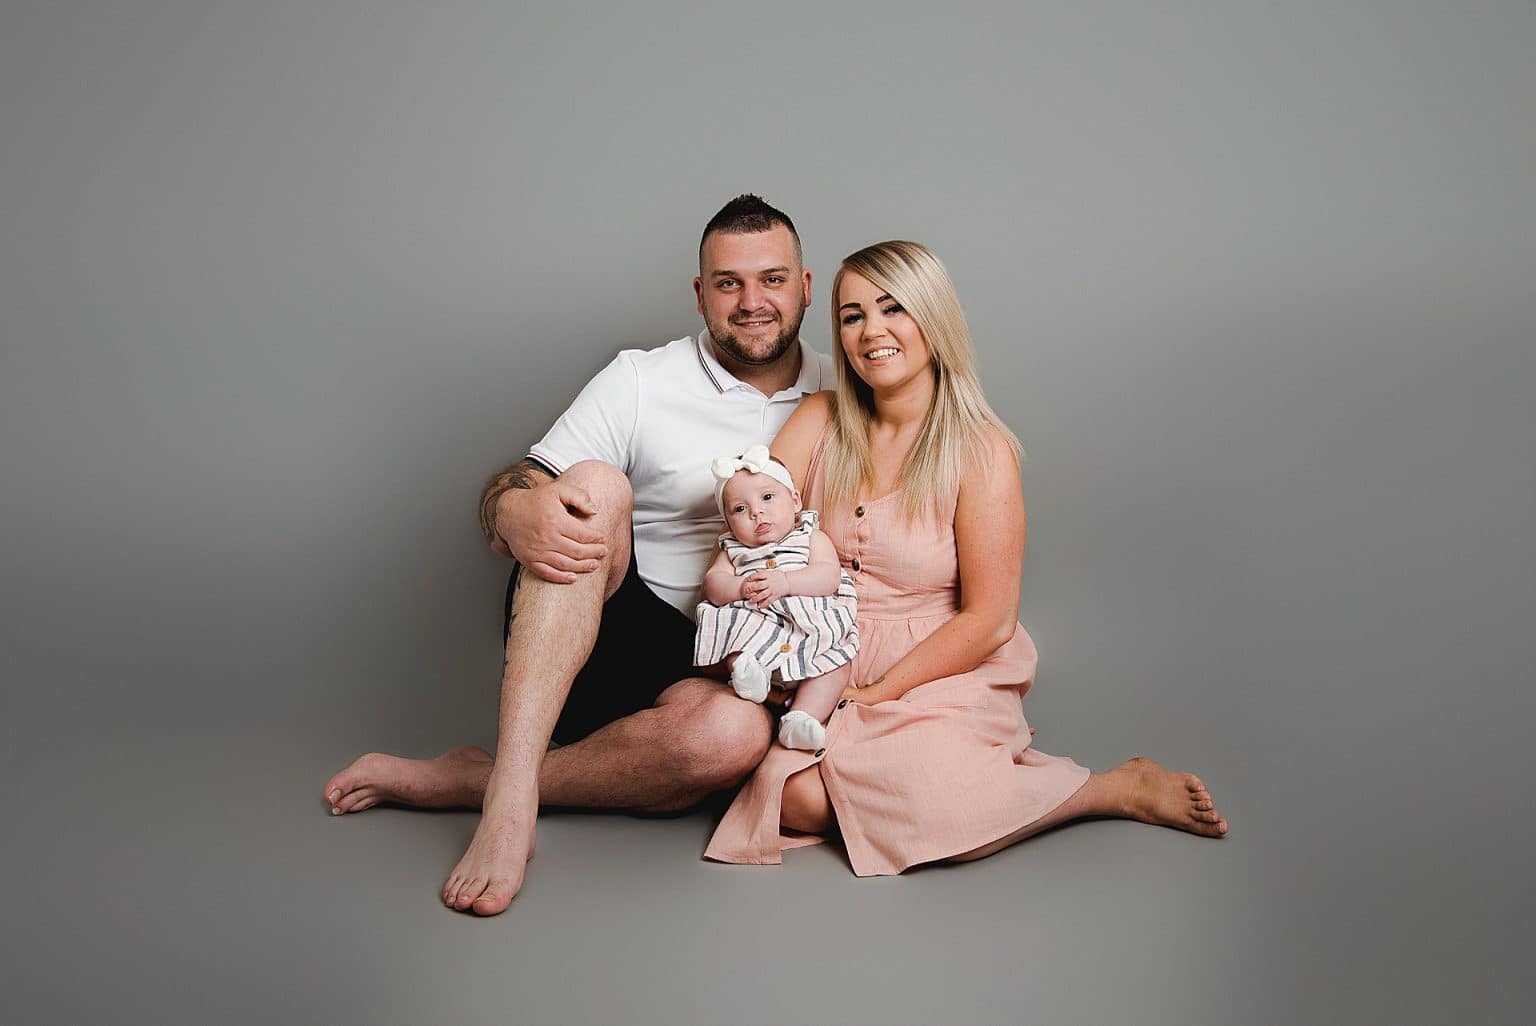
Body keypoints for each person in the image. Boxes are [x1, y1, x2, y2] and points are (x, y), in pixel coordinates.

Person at [323, 195, 835, 914]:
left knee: (733, 736)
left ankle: (477, 778)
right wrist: (513, 507)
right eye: (728, 283)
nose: (752, 302)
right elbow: (511, 491)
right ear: (700, 293)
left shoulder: (843, 393)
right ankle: (507, 809)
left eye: (773, 280)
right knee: (590, 484)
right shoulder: (641, 378)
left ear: (807, 286)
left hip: (728, 663)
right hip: (607, 637)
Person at [704, 240, 1227, 875]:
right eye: (851, 315)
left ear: (933, 317)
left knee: (937, 803)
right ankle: (922, 780)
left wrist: (879, 692)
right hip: (819, 653)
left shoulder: (980, 449)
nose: (873, 332)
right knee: (788, 792)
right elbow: (751, 524)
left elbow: (990, 619)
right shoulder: (819, 419)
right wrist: (755, 605)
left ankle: (1108, 789)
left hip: (938, 662)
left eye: (894, 309)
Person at [694, 445, 859, 751]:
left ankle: (800, 718)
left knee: (838, 663)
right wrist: (741, 587)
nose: (757, 512)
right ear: (729, 524)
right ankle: (749, 677)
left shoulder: (810, 536)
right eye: (740, 510)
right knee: (734, 636)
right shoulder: (733, 549)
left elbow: (828, 576)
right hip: (758, 628)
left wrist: (787, 581)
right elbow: (713, 586)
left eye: (767, 497)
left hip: (809, 634)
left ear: (795, 501)